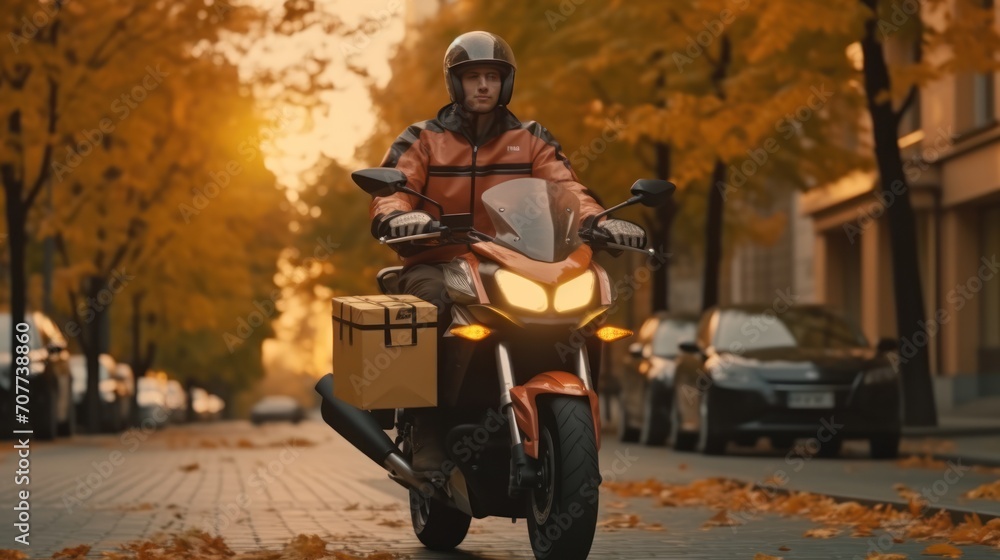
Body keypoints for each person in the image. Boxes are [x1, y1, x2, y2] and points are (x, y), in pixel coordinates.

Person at [368, 31, 645, 470]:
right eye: (473, 77)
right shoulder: (422, 139)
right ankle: (427, 426)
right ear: (454, 84)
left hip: (519, 263)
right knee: (431, 301)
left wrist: (601, 221)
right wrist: (397, 215)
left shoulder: (531, 138)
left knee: (586, 299)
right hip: (439, 260)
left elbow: (568, 186)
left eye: (492, 77)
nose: (483, 86)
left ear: (506, 84)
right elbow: (394, 188)